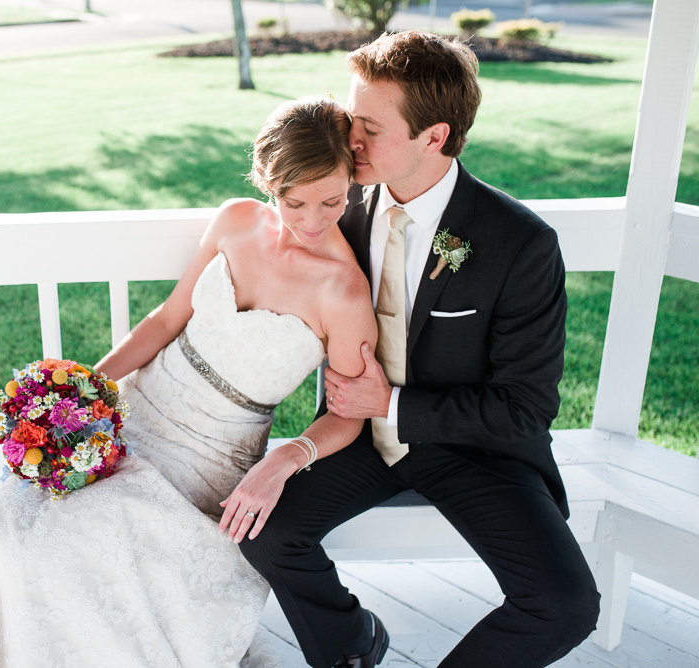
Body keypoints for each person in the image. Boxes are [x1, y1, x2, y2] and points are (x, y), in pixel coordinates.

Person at [0, 96, 377, 668]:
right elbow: (166, 320)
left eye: (333, 199)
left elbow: (349, 413)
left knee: (76, 545)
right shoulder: (235, 221)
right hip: (134, 411)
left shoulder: (343, 291)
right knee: (7, 517)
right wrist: (77, 395)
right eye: (293, 201)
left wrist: (285, 460)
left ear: (351, 179)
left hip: (210, 454)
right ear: (267, 182)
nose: (311, 219)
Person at [239, 31, 602, 668]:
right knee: (264, 530)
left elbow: (525, 407)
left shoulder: (520, 244)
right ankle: (351, 644)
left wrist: (395, 402)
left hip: (476, 450)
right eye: (353, 119)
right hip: (358, 441)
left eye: (370, 129)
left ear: (433, 137)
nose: (351, 141)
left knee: (566, 603)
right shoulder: (340, 210)